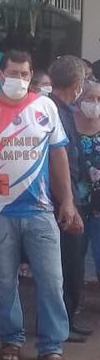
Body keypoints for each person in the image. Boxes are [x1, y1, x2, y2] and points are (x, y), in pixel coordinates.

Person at [0, 50, 81, 360]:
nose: (18, 79)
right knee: (3, 281)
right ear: (0, 75)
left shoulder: (45, 109)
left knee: (51, 281)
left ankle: (52, 345)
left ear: (31, 77)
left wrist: (67, 200)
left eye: (24, 75)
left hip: (40, 210)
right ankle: (11, 337)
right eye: (12, 73)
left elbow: (59, 156)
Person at [49, 56, 91, 342]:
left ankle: (64, 321)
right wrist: (69, 202)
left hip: (69, 197)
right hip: (64, 201)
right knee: (67, 266)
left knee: (68, 265)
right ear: (77, 85)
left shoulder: (59, 109)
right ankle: (60, 324)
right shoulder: (55, 111)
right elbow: (59, 162)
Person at [75, 79, 100, 282]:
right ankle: (74, 299)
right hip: (76, 204)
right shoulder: (67, 124)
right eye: (90, 98)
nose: (95, 103)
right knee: (75, 256)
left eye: (99, 99)